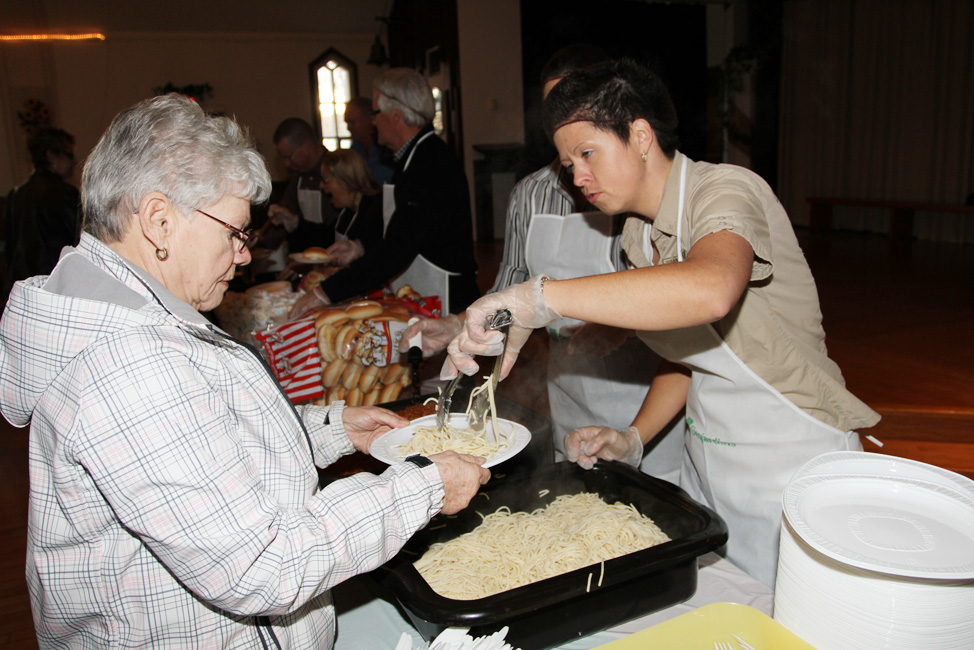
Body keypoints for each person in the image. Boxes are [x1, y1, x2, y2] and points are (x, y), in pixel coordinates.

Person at [0, 94, 489, 649]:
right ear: (159, 221)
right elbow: (263, 566)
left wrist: (329, 430)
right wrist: (422, 487)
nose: (243, 255)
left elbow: (205, 446)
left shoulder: (131, 313)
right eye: (234, 232)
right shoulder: (126, 365)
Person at [445, 59, 880, 588]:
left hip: (788, 457)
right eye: (568, 163)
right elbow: (689, 354)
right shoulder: (637, 235)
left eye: (587, 153)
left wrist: (543, 298)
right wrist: (635, 436)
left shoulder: (725, 190)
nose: (577, 176)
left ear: (641, 135)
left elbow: (711, 290)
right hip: (709, 457)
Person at [398, 46, 683, 478]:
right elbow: (511, 287)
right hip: (567, 385)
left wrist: (616, 325)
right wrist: (460, 324)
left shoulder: (643, 191)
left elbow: (675, 297)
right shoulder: (529, 194)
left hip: (645, 391)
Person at [292, 68, 480, 316]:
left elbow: (399, 246)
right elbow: (407, 228)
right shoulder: (414, 157)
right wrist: (361, 246)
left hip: (448, 299)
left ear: (396, 116)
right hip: (427, 292)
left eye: (375, 113)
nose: (372, 120)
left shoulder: (429, 163)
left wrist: (326, 291)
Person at [2, 127, 82, 304]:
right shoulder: (64, 193)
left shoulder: (15, 195)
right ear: (51, 156)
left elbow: (9, 249)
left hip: (19, 291)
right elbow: (78, 244)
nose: (73, 161)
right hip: (53, 287)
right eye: (69, 155)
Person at [268, 117, 339, 252]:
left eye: (289, 157)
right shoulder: (297, 179)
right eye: (283, 159)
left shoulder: (336, 172)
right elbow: (285, 214)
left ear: (307, 146)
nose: (286, 164)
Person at [319, 148, 384, 268]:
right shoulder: (348, 211)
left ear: (345, 180)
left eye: (325, 180)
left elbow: (377, 254)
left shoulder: (377, 211)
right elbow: (324, 235)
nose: (321, 185)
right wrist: (294, 223)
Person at [344, 96, 395, 185]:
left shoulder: (389, 147)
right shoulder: (354, 151)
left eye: (352, 122)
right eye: (347, 123)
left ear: (370, 119)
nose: (348, 128)